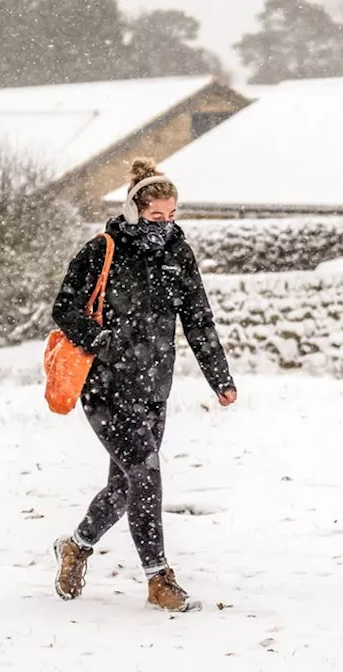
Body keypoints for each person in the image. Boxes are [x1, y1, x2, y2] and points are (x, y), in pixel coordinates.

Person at [49, 158, 237, 612]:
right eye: (156, 218)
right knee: (146, 473)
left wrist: (220, 377)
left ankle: (76, 546)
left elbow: (198, 319)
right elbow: (64, 308)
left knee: (124, 487)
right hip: (105, 387)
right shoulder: (102, 251)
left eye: (172, 217)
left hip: (154, 387)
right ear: (135, 211)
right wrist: (104, 341)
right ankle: (158, 579)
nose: (164, 227)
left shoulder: (178, 254)